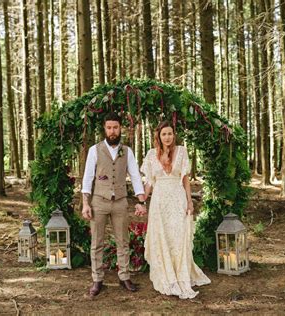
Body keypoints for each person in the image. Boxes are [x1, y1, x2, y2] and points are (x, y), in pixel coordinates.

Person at [141, 121, 211, 299]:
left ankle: (181, 274)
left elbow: (185, 179)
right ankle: (166, 275)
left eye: (170, 133)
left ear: (174, 135)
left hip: (177, 198)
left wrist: (189, 201)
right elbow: (149, 181)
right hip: (159, 201)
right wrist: (141, 198)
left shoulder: (181, 151)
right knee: (162, 236)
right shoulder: (151, 155)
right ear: (159, 136)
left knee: (178, 237)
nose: (167, 137)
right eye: (164, 134)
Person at [81, 112, 147, 297]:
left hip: (120, 202)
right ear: (104, 128)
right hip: (98, 202)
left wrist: (141, 201)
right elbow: (88, 177)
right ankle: (97, 279)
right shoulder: (95, 150)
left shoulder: (127, 151)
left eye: (115, 127)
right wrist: (86, 203)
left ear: (120, 129)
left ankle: (124, 276)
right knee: (97, 242)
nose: (112, 131)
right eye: (109, 127)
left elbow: (135, 176)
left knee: (123, 241)